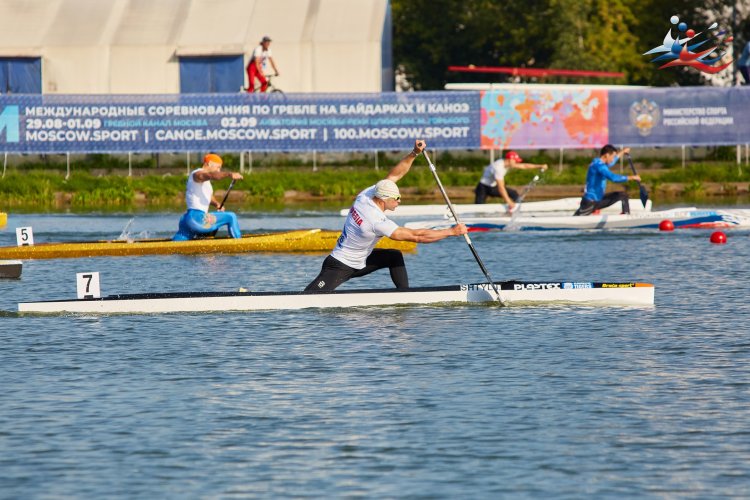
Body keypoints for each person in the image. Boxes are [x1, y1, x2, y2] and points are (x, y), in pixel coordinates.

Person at [305, 140, 468, 292]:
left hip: (361, 261)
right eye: (396, 198)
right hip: (340, 265)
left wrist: (414, 153)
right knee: (308, 297)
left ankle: (404, 296)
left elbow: (395, 175)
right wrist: (451, 232)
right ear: (384, 200)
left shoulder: (367, 195)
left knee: (393, 256)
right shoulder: (376, 221)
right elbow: (417, 236)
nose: (399, 201)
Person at [173, 154, 244, 241]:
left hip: (186, 220)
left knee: (175, 245)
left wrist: (216, 204)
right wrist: (229, 174)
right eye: (218, 167)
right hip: (197, 219)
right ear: (209, 163)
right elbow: (212, 175)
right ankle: (239, 242)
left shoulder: (205, 183)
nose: (219, 170)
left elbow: (208, 197)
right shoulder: (197, 174)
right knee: (231, 216)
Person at [573, 144, 640, 216]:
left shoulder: (598, 162)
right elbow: (613, 178)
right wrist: (632, 177)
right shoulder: (599, 166)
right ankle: (625, 217)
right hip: (590, 202)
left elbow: (613, 161)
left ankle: (625, 214)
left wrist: (623, 152)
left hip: (598, 200)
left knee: (622, 195)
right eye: (612, 156)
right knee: (574, 221)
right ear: (607, 155)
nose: (612, 159)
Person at [474, 151, 547, 210]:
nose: (516, 163)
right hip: (483, 187)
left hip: (492, 186)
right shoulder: (498, 167)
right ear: (510, 160)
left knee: (513, 193)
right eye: (515, 161)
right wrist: (508, 201)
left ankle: (520, 208)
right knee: (478, 207)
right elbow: (501, 187)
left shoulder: (507, 163)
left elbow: (524, 166)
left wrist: (539, 166)